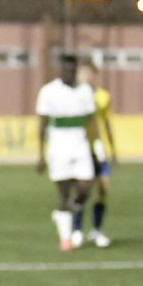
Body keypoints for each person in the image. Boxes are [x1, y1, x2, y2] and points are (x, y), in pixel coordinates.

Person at [36, 54, 96, 251]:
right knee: (63, 192)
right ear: (59, 70)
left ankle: (68, 211)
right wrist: (41, 154)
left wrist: (97, 148)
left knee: (84, 188)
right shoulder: (48, 92)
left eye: (71, 69)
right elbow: (42, 124)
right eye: (64, 69)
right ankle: (66, 238)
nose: (67, 73)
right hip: (58, 148)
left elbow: (91, 121)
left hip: (80, 146)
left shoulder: (85, 90)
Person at [76, 59, 117, 247]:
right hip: (82, 149)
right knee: (82, 191)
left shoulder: (102, 96)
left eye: (88, 72)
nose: (85, 76)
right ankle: (76, 230)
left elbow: (107, 123)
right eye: (82, 72)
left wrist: (113, 148)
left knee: (103, 189)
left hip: (100, 150)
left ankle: (97, 230)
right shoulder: (73, 96)